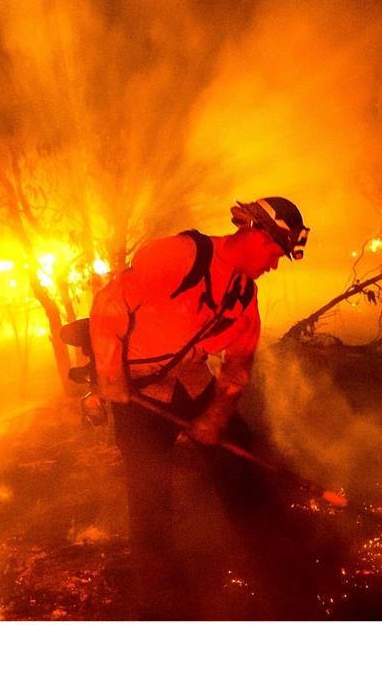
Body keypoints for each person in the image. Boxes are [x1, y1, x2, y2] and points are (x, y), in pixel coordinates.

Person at [86, 197, 308, 618]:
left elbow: (239, 363)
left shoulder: (244, 295)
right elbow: (107, 307)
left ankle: (264, 547)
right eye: (275, 253)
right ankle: (159, 594)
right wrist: (112, 381)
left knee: (240, 451)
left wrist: (215, 417)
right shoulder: (178, 255)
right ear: (255, 233)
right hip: (138, 390)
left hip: (190, 381)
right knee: (149, 487)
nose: (275, 266)